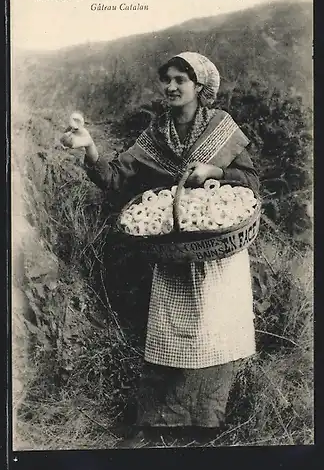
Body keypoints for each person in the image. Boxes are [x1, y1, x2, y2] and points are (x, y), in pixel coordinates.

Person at [61, 52, 259, 448]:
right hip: (173, 248)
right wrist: (90, 149)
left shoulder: (222, 128)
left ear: (200, 88)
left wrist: (215, 172)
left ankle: (207, 422)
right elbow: (116, 178)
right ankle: (155, 421)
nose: (170, 86)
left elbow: (251, 180)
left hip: (217, 246)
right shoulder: (156, 136)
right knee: (170, 331)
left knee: (212, 330)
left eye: (180, 80)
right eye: (166, 79)